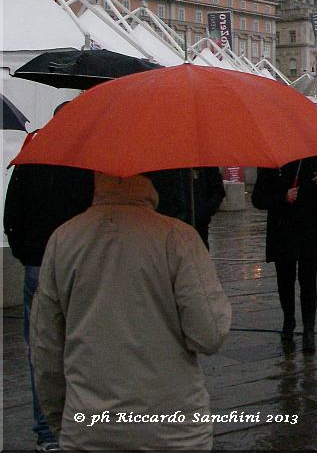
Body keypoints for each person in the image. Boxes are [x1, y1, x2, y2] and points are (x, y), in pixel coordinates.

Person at [29, 172, 231, 450]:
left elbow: (45, 348)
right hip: (173, 430)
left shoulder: (62, 240)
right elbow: (208, 335)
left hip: (88, 429)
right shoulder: (178, 237)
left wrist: (62, 422)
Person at [4, 160, 94, 452]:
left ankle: (48, 432)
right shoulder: (89, 166)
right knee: (89, 344)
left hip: (38, 263)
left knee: (41, 348)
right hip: (82, 265)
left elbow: (12, 215)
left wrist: (26, 253)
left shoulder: (31, 163)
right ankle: (88, 423)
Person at [252, 156, 317, 351]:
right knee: (285, 281)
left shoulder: (316, 160)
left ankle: (309, 330)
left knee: (308, 282)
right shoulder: (271, 162)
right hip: (283, 230)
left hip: (310, 229)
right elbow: (258, 199)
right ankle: (288, 323)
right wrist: (283, 197)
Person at [148, 166, 226, 248]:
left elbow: (217, 190)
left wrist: (204, 212)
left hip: (197, 226)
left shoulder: (203, 163)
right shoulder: (160, 165)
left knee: (196, 257)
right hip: (166, 226)